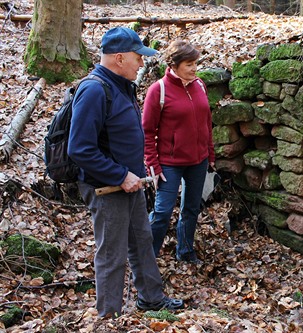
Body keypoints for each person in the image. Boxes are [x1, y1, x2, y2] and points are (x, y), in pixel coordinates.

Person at [68, 27, 184, 318]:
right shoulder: (95, 90)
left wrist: (135, 173)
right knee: (112, 255)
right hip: (107, 189)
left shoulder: (121, 85)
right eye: (137, 57)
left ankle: (151, 299)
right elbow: (79, 148)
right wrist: (120, 175)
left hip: (130, 184)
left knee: (142, 242)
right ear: (119, 58)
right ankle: (109, 317)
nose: (142, 63)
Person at [142, 40, 215, 263]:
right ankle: (147, 258)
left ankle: (185, 251)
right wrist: (153, 164)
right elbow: (146, 131)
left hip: (198, 161)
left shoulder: (200, 85)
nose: (194, 68)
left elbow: (206, 123)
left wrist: (210, 155)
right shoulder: (159, 90)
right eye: (189, 64)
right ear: (174, 65)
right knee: (162, 212)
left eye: (195, 64)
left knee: (191, 209)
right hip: (169, 164)